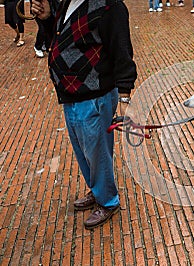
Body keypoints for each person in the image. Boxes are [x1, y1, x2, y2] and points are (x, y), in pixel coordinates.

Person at [31, 0, 137, 230]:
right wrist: (47, 19)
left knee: (97, 152)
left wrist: (125, 97)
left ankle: (108, 201)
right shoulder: (65, 2)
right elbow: (57, 40)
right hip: (70, 95)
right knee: (84, 152)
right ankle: (98, 189)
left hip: (94, 96)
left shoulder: (110, 7)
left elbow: (122, 51)